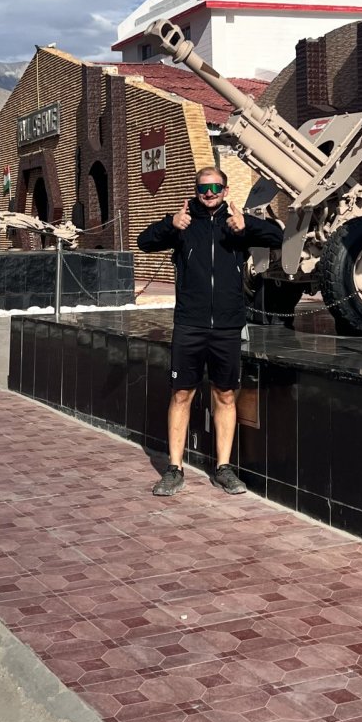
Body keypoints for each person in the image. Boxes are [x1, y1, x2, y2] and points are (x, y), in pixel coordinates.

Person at [137, 165, 284, 497]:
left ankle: (224, 468)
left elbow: (278, 237)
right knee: (181, 394)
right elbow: (143, 241)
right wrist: (169, 225)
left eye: (216, 188)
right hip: (189, 323)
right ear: (195, 191)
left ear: (225, 191)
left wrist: (248, 225)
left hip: (228, 325)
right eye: (203, 189)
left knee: (226, 395)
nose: (209, 194)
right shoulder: (183, 222)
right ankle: (174, 469)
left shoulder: (238, 224)